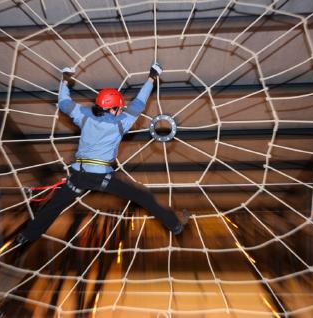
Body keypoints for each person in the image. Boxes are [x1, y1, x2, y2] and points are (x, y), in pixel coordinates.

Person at [15, 63, 189, 248]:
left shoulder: (85, 115)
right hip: (101, 178)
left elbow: (65, 103)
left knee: (54, 206)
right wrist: (151, 78)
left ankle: (27, 235)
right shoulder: (121, 122)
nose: (121, 111)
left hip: (78, 176)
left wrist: (65, 80)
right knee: (142, 196)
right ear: (113, 109)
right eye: (119, 108)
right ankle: (175, 225)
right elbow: (139, 102)